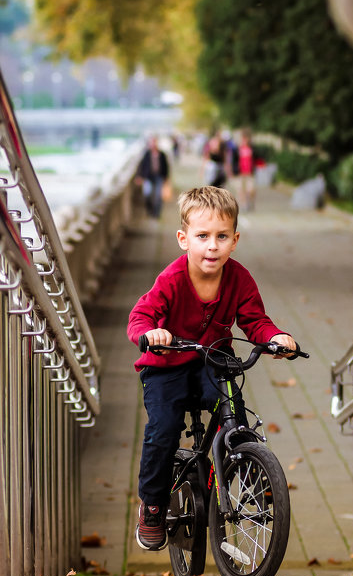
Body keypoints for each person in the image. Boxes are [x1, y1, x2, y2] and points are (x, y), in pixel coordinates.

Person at [127, 186, 298, 550]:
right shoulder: (171, 280)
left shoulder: (239, 278)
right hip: (166, 366)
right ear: (183, 239)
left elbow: (255, 321)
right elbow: (140, 317)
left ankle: (248, 472)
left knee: (235, 414)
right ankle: (154, 504)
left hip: (211, 362)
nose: (212, 246)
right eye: (202, 236)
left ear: (235, 240)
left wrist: (276, 338)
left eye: (222, 237)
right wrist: (151, 332)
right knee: (164, 430)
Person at [134, 135, 170, 219]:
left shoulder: (162, 154)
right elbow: (141, 165)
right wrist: (139, 176)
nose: (153, 144)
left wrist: (166, 178)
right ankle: (149, 211)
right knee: (147, 194)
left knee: (158, 196)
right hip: (148, 177)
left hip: (159, 177)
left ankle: (156, 213)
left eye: (154, 142)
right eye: (151, 143)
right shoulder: (146, 154)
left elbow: (166, 167)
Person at [236, 130, 256, 210]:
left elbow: (256, 159)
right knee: (241, 189)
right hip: (241, 172)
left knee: (251, 189)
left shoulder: (252, 149)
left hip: (250, 172)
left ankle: (250, 202)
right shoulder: (238, 149)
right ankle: (244, 204)